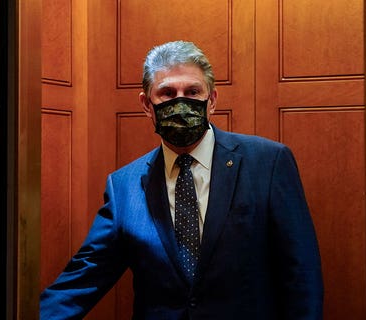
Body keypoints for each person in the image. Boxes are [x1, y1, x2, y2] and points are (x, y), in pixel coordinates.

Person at [40, 40, 323, 319]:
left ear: (211, 100)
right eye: (167, 93)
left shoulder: (268, 163)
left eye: (192, 91)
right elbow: (83, 278)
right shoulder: (124, 186)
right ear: (146, 105)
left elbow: (301, 274)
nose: (180, 101)